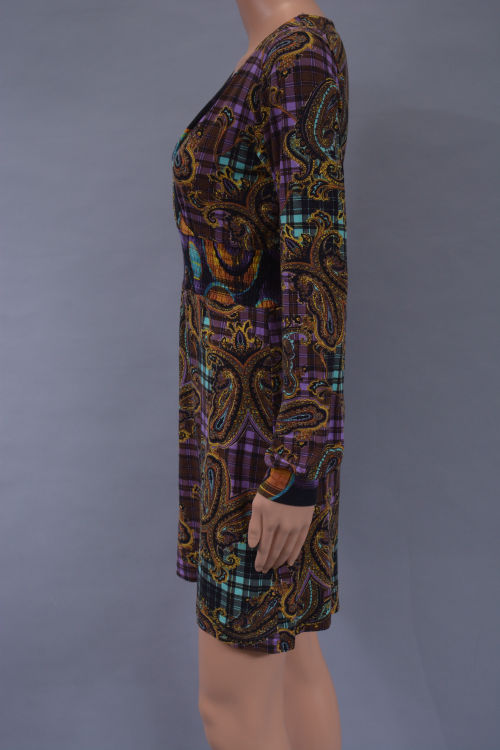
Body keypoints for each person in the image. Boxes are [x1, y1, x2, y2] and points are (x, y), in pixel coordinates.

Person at [172, 1, 349, 747]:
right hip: (230, 424)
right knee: (295, 661)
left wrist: (295, 469)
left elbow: (317, 272)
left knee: (231, 707)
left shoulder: (299, 56)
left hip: (260, 446)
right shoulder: (273, 51)